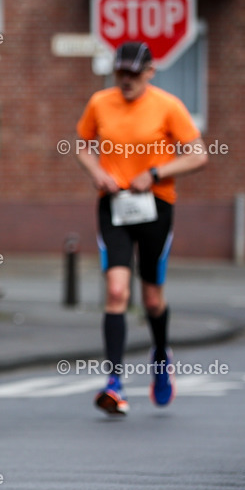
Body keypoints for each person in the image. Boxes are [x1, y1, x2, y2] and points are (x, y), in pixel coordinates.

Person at [75, 41, 209, 416]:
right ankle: (114, 383)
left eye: (135, 73)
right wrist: (99, 173)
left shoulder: (168, 106)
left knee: (151, 297)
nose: (127, 80)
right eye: (121, 72)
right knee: (116, 291)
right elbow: (82, 146)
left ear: (150, 71)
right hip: (114, 207)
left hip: (156, 207)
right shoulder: (100, 102)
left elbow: (198, 154)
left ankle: (162, 356)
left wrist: (155, 174)